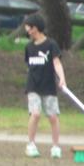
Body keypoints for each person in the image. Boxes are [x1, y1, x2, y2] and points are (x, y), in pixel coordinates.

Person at [23, 13, 66, 158]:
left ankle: (55, 146)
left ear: (36, 28)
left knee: (53, 116)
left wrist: (62, 78)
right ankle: (31, 144)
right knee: (35, 113)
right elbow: (29, 67)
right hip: (33, 86)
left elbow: (56, 63)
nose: (27, 31)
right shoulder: (28, 47)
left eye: (29, 28)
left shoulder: (51, 45)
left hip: (48, 86)